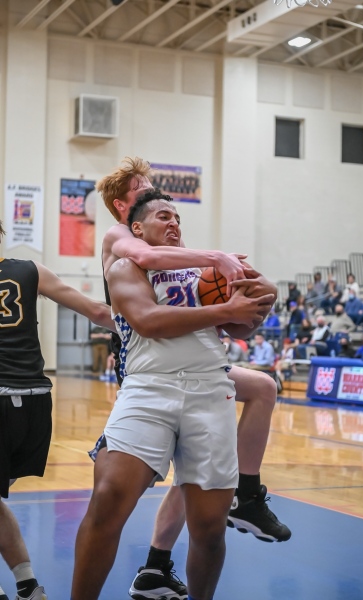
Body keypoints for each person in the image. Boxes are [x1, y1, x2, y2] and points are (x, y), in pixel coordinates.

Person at [95, 158, 291, 599]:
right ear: (123, 205)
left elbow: (233, 320)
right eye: (144, 191)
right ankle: (237, 501)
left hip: (200, 372)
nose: (154, 195)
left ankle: (169, 556)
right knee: (118, 496)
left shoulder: (178, 259)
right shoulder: (122, 239)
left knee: (256, 394)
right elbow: (145, 265)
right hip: (149, 369)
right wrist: (217, 257)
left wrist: (258, 294)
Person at [0, 220, 113, 600]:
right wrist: (148, 320)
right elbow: (98, 312)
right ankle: (28, 585)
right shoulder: (29, 270)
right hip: (34, 404)